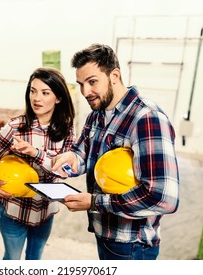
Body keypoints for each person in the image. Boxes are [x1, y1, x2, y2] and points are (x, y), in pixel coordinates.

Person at [52, 43, 179, 260]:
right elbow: (83, 152)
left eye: (92, 82)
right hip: (107, 235)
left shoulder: (147, 118)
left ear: (114, 75)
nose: (85, 92)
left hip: (132, 245)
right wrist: (72, 158)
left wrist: (94, 202)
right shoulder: (97, 113)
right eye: (81, 84)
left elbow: (163, 198)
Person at [0, 67, 75, 260]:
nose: (36, 98)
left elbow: (65, 171)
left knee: (34, 259)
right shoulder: (15, 128)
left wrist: (35, 153)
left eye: (45, 93)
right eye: (33, 91)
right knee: (12, 260)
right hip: (13, 210)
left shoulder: (66, 130)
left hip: (44, 212)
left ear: (58, 98)